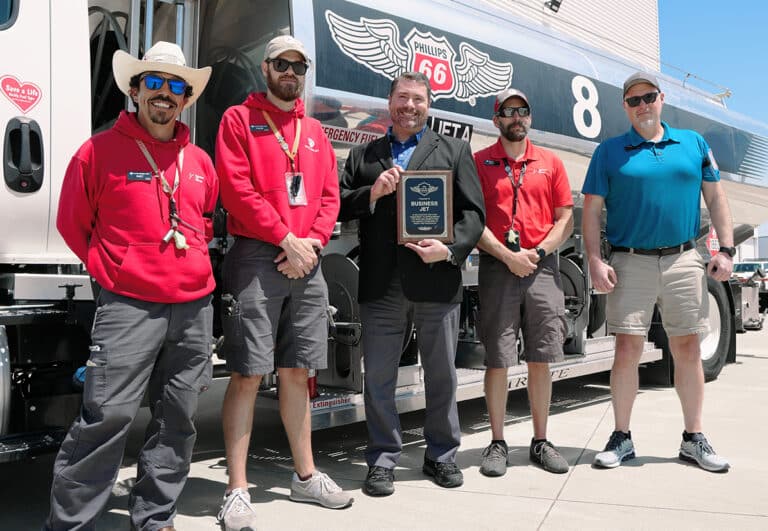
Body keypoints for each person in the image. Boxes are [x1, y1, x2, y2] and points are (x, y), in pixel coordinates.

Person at [45, 42, 217, 531]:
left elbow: (204, 220)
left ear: (186, 98)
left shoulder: (200, 161)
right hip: (128, 307)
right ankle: (71, 525)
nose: (165, 93)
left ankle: (155, 517)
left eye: (176, 85)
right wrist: (113, 268)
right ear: (135, 89)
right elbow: (73, 223)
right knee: (107, 418)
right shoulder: (97, 151)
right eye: (155, 83)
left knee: (179, 419)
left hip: (193, 307)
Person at [215, 35, 352, 530]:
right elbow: (236, 189)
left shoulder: (314, 130)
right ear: (266, 67)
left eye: (298, 65)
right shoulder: (238, 120)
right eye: (281, 64)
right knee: (249, 373)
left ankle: (305, 475)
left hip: (306, 260)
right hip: (257, 254)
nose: (290, 72)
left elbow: (330, 198)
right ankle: (236, 489)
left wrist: (310, 244)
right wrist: (284, 238)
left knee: (298, 371)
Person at [339, 71, 485, 497]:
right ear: (389, 103)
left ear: (428, 106)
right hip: (382, 284)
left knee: (441, 376)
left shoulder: (455, 151)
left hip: (436, 279)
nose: (409, 106)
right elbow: (339, 204)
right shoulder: (364, 156)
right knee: (379, 378)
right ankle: (383, 458)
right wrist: (373, 193)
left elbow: (474, 214)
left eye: (418, 99)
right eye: (402, 98)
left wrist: (451, 250)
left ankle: (441, 455)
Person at [582, 71, 733, 473]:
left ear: (661, 98)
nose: (643, 105)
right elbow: (592, 211)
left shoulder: (692, 144)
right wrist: (595, 260)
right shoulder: (610, 152)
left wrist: (727, 249)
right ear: (625, 108)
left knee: (687, 349)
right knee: (627, 350)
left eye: (649, 97)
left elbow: (716, 197)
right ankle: (622, 437)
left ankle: (693, 438)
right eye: (634, 101)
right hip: (630, 261)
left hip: (684, 260)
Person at [473, 89, 574, 477]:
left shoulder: (550, 163)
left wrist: (538, 253)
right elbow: (473, 219)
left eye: (523, 111)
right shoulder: (480, 162)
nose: (517, 117)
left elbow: (564, 217)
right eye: (508, 111)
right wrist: (507, 255)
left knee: (540, 356)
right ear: (496, 118)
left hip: (542, 267)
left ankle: (540, 440)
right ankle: (497, 442)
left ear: (530, 118)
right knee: (498, 358)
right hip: (498, 267)